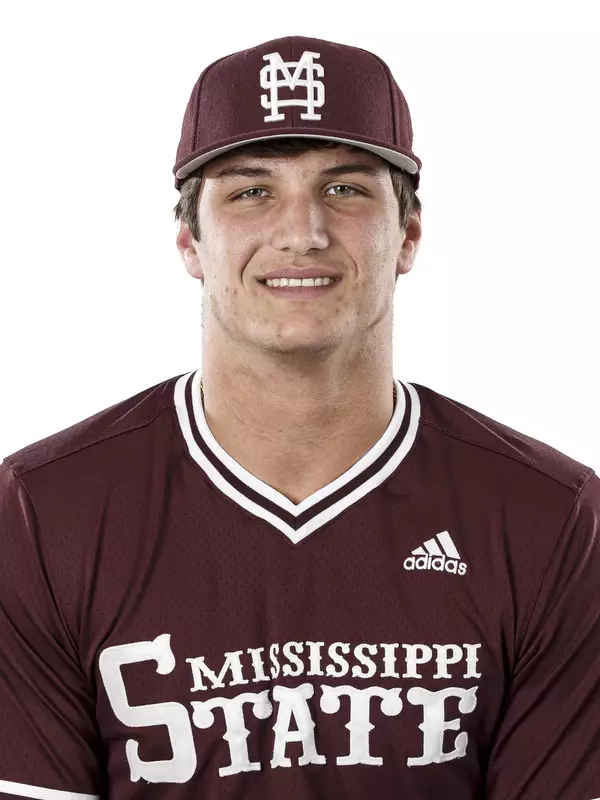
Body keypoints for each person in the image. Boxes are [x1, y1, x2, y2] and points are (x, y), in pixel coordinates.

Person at [0, 34, 598, 800]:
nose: (302, 232)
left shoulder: (549, 517)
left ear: (408, 234)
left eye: (345, 190)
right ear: (190, 240)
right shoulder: (47, 512)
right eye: (250, 191)